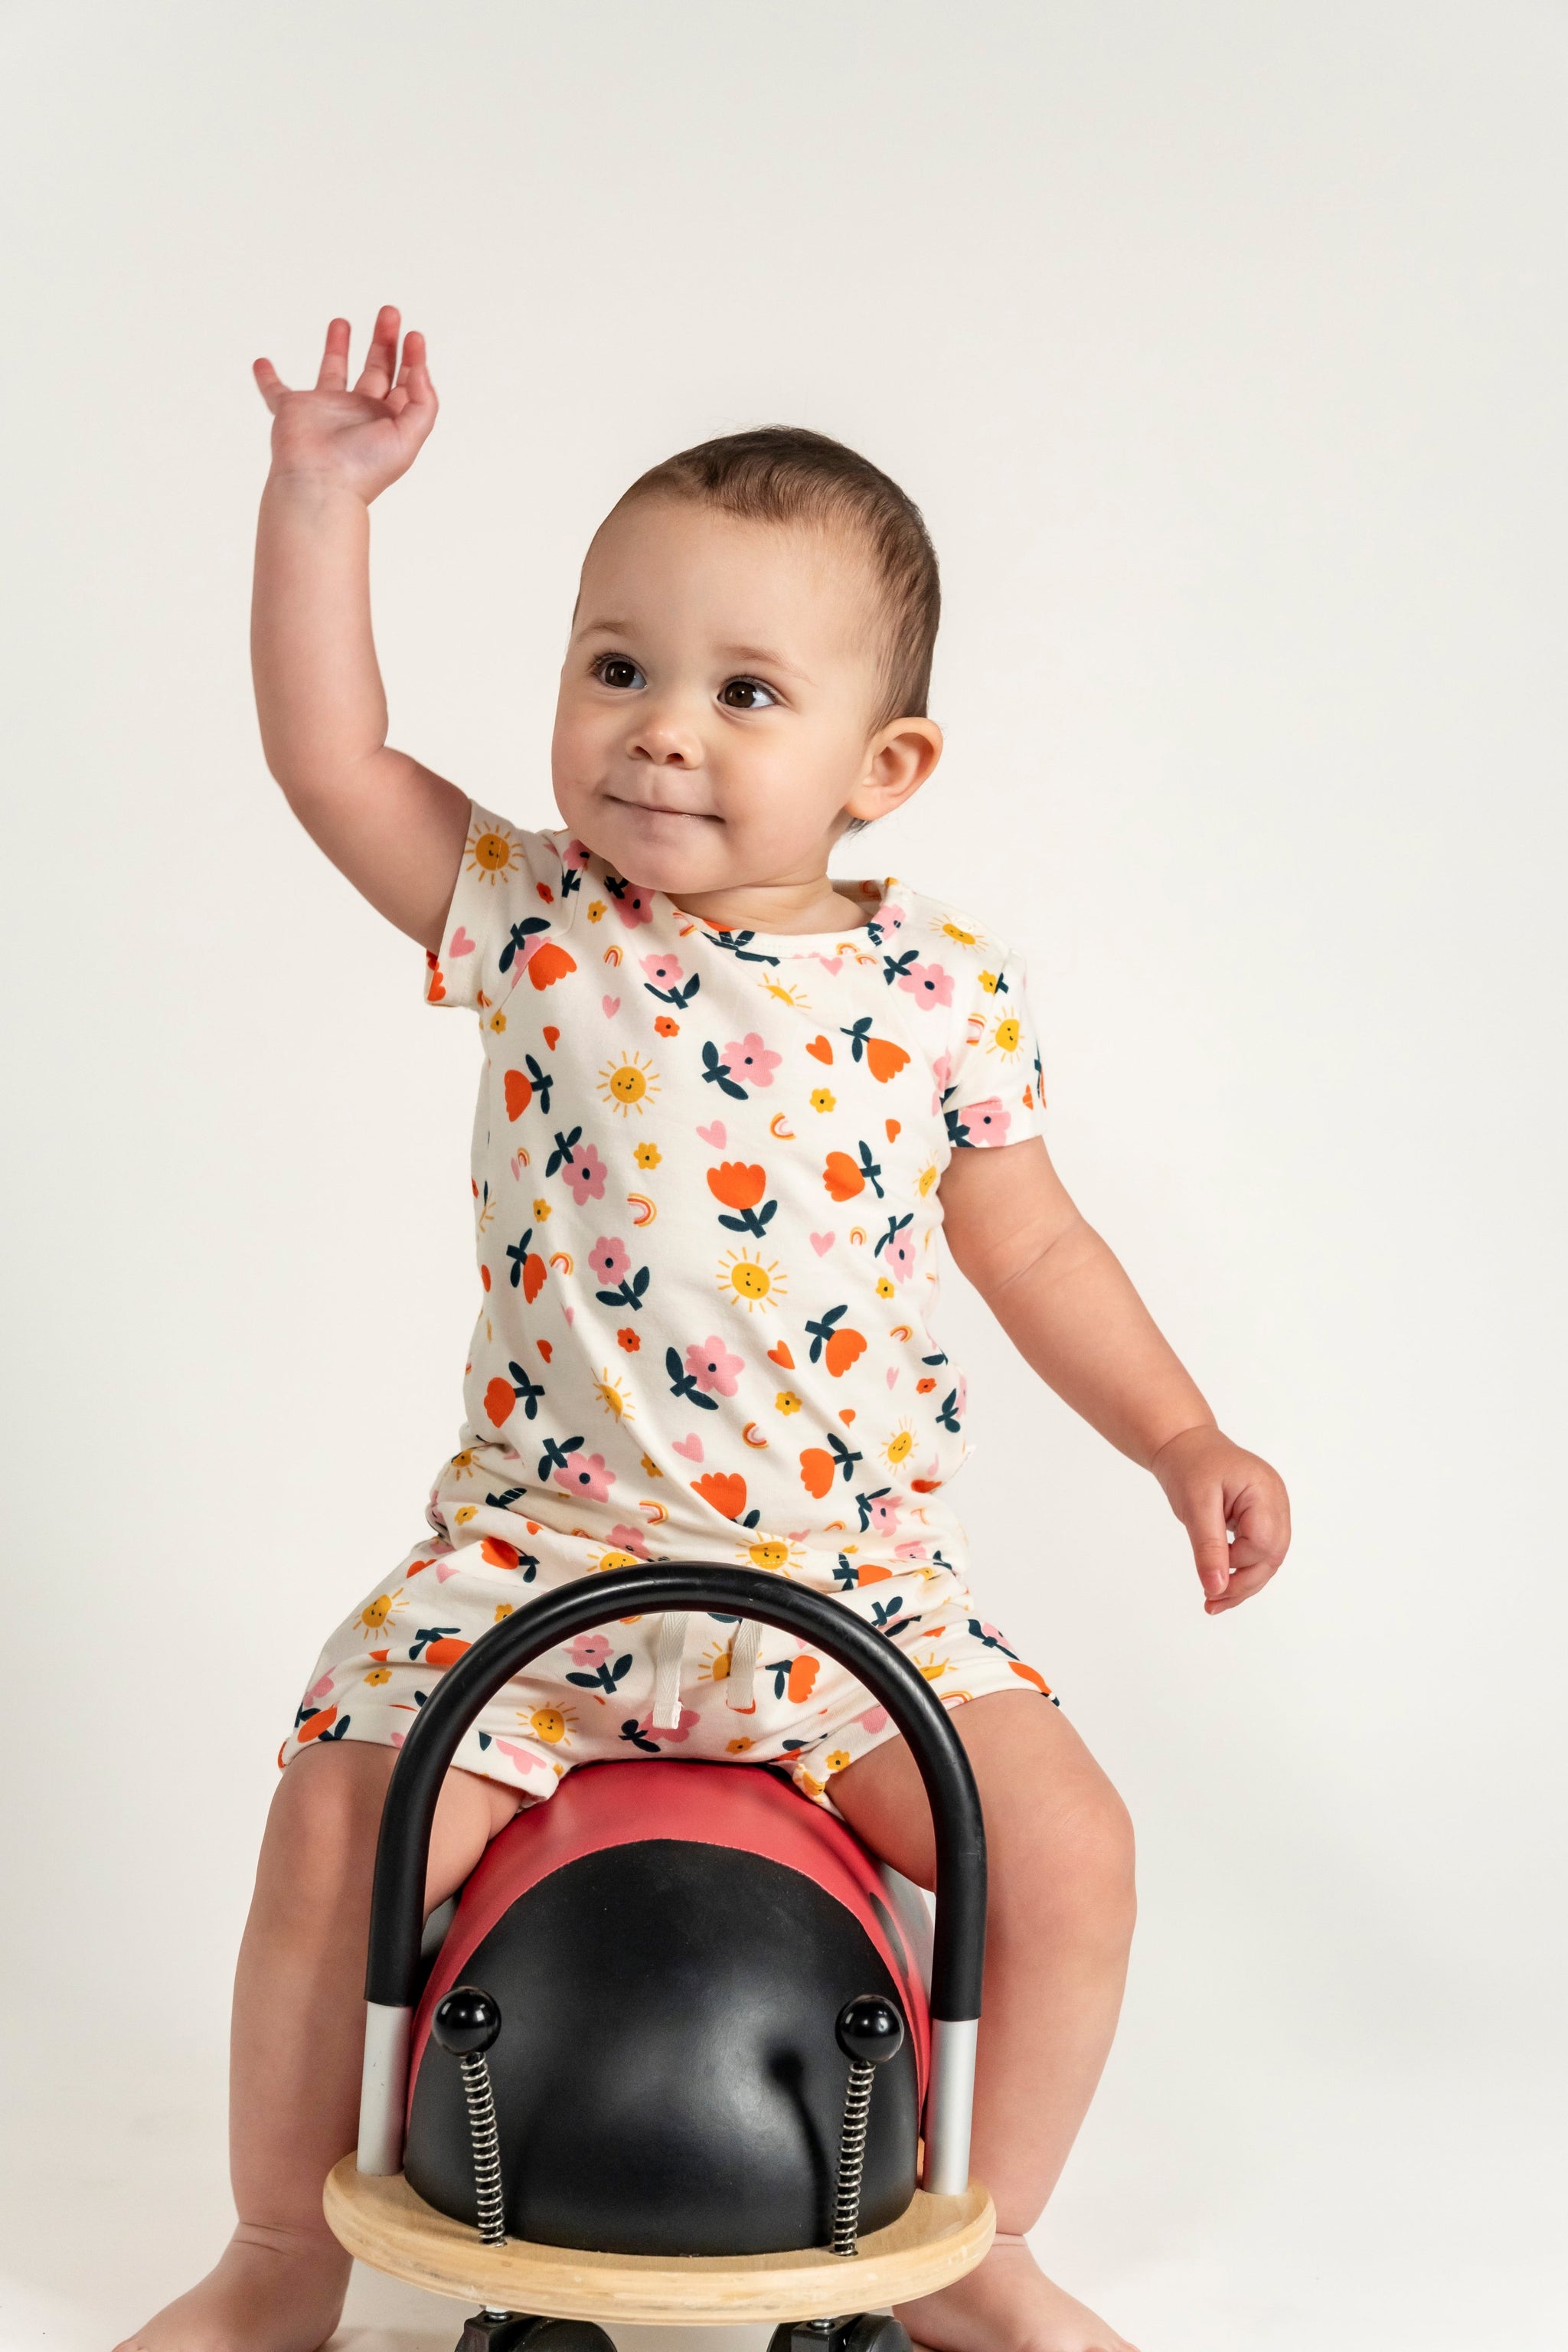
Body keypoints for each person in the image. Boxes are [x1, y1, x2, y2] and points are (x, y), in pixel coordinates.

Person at [119, 307, 1290, 2352]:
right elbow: (328, 759)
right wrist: (320, 504)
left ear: (884, 764)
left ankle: (975, 2248)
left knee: (1076, 1851)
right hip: (536, 1560)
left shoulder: (944, 994)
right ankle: (277, 2263)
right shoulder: (531, 913)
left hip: (844, 1583)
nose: (664, 727)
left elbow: (1037, 1246)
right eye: (620, 668)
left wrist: (1184, 1438)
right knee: (330, 1824)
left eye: (747, 691)